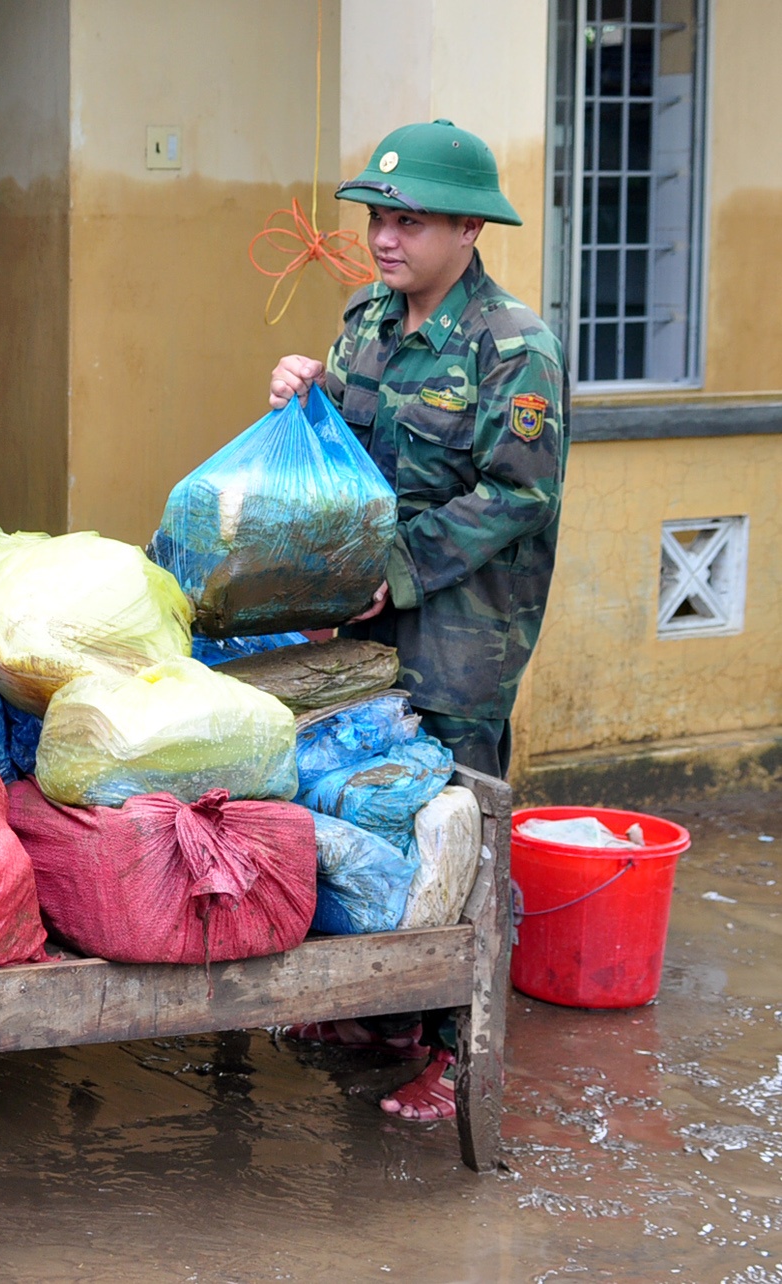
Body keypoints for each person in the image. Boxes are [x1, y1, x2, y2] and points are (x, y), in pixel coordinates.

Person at [268, 120, 568, 1123]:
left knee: (458, 823)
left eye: (408, 221)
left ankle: (455, 1046)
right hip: (365, 619)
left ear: (468, 230)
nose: (385, 238)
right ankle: (382, 1008)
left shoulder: (513, 348)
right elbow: (348, 461)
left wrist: (397, 572)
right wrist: (302, 393)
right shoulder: (365, 321)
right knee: (366, 799)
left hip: (462, 631)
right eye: (378, 218)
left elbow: (516, 494)